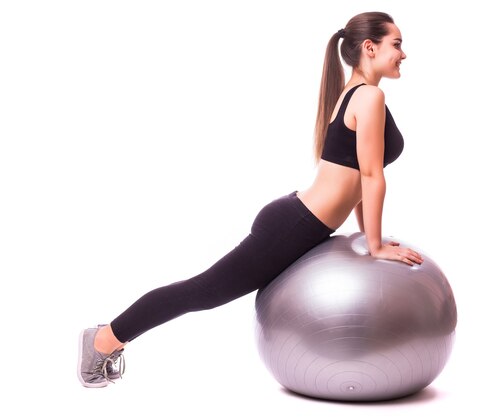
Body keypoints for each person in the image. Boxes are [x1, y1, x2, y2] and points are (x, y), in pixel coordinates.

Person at [77, 11, 424, 388]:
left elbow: (359, 178)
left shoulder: (358, 95)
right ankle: (102, 340)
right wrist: (374, 245)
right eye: (397, 44)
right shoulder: (368, 97)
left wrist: (366, 237)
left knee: (203, 291)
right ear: (370, 48)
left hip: (298, 219)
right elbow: (372, 177)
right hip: (295, 226)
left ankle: (104, 338)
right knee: (203, 292)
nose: (403, 54)